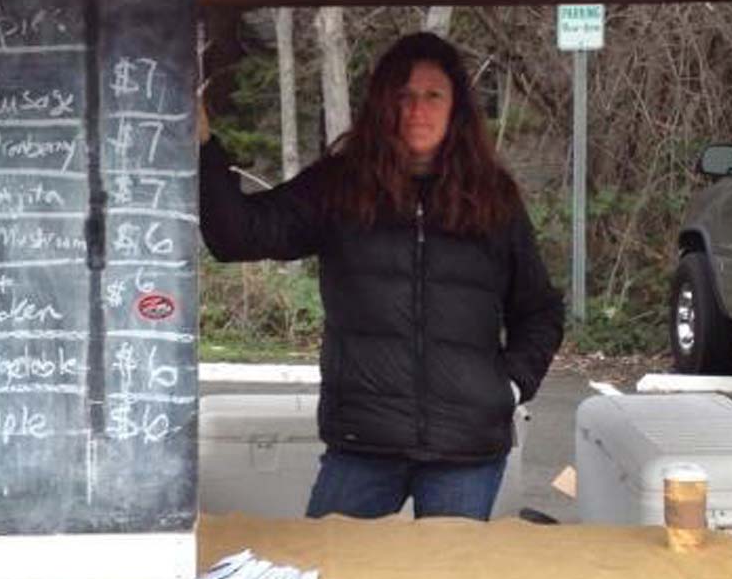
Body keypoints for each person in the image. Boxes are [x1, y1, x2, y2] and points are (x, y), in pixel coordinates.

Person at [199, 30, 565, 521]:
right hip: (363, 444)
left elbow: (539, 309)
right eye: (403, 96)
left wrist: (510, 387)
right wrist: (203, 145)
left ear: (455, 107)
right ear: (382, 105)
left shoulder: (493, 197)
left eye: (433, 95)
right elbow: (236, 236)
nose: (418, 110)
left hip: (466, 450)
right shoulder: (340, 186)